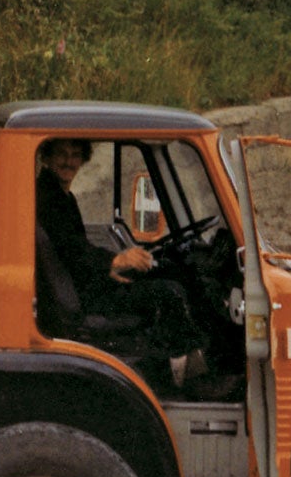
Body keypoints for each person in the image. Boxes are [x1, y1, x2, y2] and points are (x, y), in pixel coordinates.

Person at [34, 139, 228, 376]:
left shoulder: (59, 195)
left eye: (75, 155)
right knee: (170, 292)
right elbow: (71, 248)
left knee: (169, 270)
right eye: (61, 154)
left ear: (83, 159)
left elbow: (76, 250)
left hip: (81, 284)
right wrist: (115, 261)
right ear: (46, 157)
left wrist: (110, 267)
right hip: (83, 297)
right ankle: (192, 371)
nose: (69, 161)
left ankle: (193, 359)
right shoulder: (49, 199)